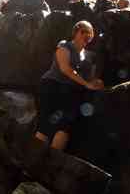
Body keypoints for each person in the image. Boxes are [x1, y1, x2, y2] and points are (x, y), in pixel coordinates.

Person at [35, 21, 103, 150]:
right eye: (84, 32)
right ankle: (34, 158)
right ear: (76, 32)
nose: (87, 35)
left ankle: (52, 162)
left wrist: (96, 83)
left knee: (64, 126)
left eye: (90, 33)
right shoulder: (64, 47)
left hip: (69, 91)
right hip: (52, 86)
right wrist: (86, 84)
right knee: (45, 124)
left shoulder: (88, 56)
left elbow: (89, 78)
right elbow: (65, 68)